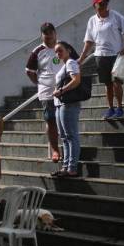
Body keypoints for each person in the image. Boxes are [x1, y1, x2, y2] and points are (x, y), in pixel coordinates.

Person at [79, 0, 124, 120]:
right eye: (101, 3)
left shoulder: (115, 16)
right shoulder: (92, 20)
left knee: (116, 83)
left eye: (105, 3)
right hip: (100, 56)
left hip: (116, 55)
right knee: (107, 84)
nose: (104, 5)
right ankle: (111, 108)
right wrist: (81, 58)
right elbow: (89, 41)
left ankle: (120, 108)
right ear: (95, 6)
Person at [25, 22, 61, 162]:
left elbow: (74, 63)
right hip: (47, 92)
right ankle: (55, 150)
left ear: (55, 33)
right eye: (45, 33)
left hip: (64, 90)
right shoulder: (38, 51)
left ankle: (69, 147)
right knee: (51, 119)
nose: (48, 36)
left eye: (50, 32)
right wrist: (39, 83)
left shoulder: (63, 47)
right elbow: (29, 71)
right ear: (42, 35)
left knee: (64, 120)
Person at [51, 41, 83, 178]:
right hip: (60, 103)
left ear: (68, 50)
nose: (58, 54)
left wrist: (62, 90)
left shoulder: (70, 62)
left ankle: (72, 168)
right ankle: (65, 166)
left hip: (68, 103)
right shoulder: (64, 64)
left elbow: (76, 80)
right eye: (56, 52)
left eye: (60, 50)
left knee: (70, 136)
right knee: (64, 137)